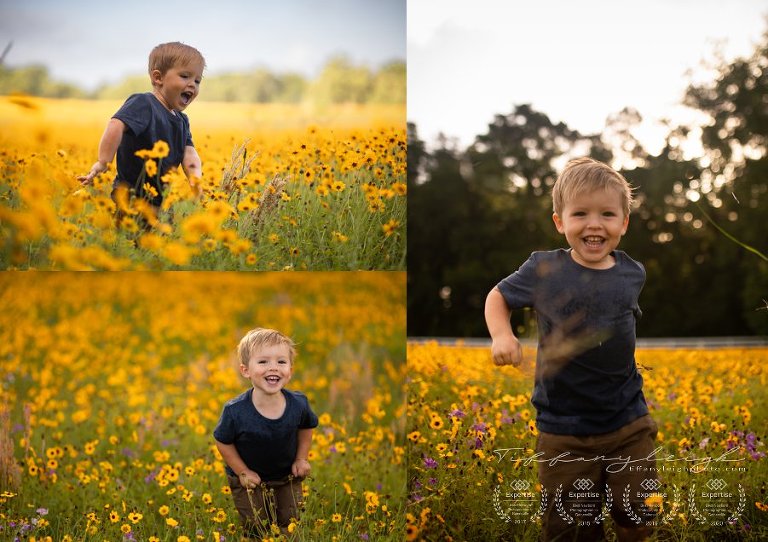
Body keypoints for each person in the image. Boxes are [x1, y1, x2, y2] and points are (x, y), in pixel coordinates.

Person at [485, 158, 658, 542]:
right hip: (563, 428)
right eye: (580, 213)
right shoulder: (543, 269)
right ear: (559, 222)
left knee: (638, 511)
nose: (594, 224)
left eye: (607, 214)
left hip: (628, 419)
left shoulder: (633, 273)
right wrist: (502, 335)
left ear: (624, 223)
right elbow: (497, 296)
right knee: (573, 526)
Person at [78, 41, 204, 220]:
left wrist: (196, 181)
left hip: (161, 201)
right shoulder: (144, 104)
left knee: (156, 245)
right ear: (158, 78)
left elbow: (189, 154)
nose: (192, 84)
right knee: (128, 241)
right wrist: (103, 162)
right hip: (130, 197)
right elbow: (116, 124)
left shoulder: (182, 120)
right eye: (185, 76)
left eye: (197, 80)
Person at [214, 328, 318, 537]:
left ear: (290, 369)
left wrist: (301, 459)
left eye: (281, 362)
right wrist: (242, 471)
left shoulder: (299, 403)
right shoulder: (235, 411)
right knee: (256, 527)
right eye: (263, 362)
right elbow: (223, 442)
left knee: (290, 524)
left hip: (287, 476)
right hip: (249, 481)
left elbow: (307, 427)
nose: (274, 368)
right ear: (245, 370)